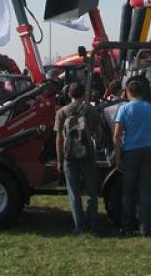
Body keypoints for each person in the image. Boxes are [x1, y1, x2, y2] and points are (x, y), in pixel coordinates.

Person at [113, 79, 151, 237]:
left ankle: (127, 227)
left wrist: (118, 157)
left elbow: (117, 135)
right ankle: (146, 229)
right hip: (148, 150)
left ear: (128, 92)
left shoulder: (124, 109)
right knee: (146, 191)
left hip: (130, 152)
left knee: (128, 191)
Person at [55, 82, 101, 235]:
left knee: (74, 193)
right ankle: (93, 227)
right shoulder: (92, 111)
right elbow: (99, 133)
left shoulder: (62, 112)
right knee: (91, 192)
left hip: (69, 157)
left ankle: (79, 227)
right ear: (84, 94)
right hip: (88, 155)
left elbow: (59, 139)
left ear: (69, 94)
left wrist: (59, 160)